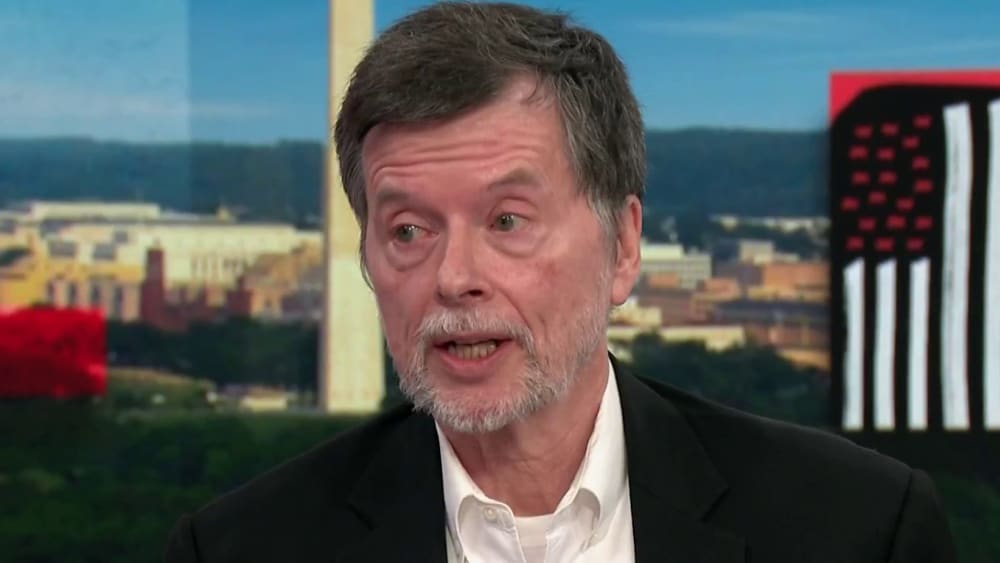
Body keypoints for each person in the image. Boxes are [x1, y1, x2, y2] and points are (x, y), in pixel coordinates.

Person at [165, 2, 958, 562]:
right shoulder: (239, 549)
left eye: (508, 220)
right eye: (409, 230)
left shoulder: (857, 530)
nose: (455, 278)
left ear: (623, 244)